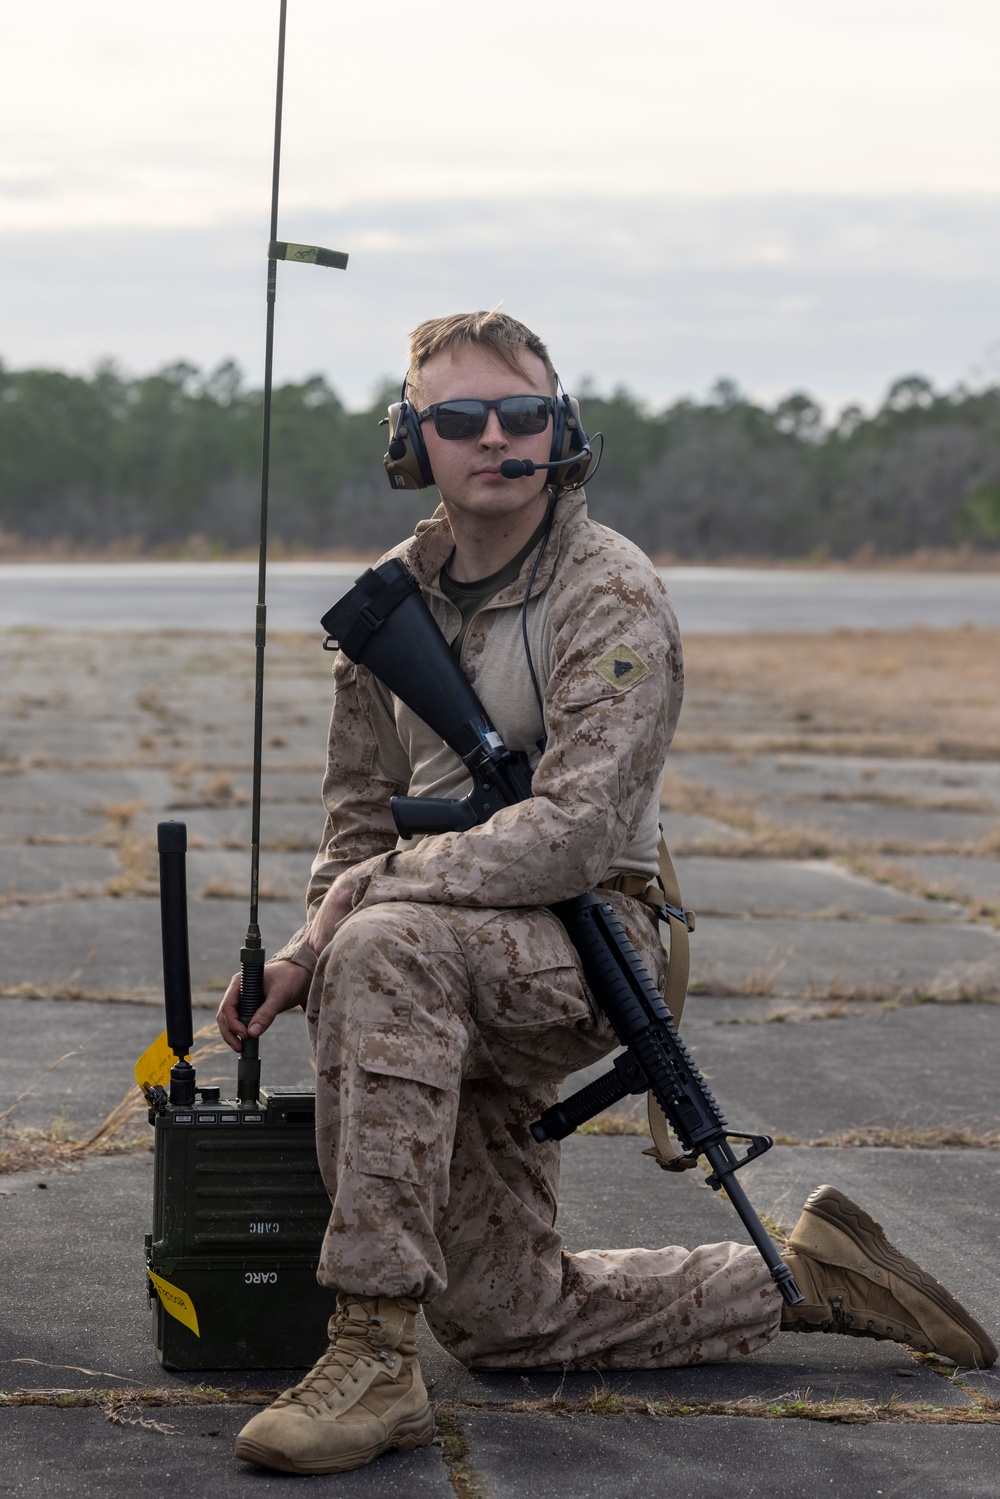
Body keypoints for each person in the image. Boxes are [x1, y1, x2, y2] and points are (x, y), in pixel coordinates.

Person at [217, 311, 996, 1477]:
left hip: (596, 942)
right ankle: (807, 1275)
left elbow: (575, 835)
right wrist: (295, 947)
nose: (496, 438)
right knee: (504, 1319)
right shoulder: (385, 609)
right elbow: (357, 824)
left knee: (379, 947)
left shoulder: (609, 591)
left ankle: (372, 1352)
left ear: (559, 426)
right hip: (438, 951)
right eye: (460, 418)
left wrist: (361, 905)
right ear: (411, 438)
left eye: (521, 413)